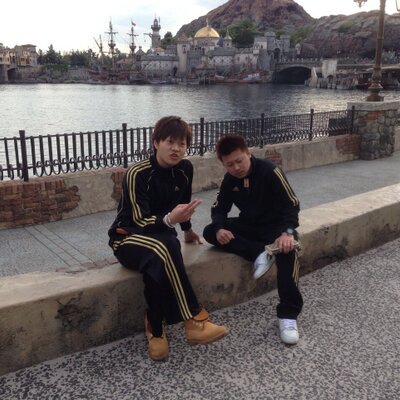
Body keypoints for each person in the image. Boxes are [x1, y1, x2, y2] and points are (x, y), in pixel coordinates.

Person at [108, 116, 228, 361]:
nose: (176, 149)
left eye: (182, 144)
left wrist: (187, 229)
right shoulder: (137, 173)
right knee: (162, 249)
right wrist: (170, 220)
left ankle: (155, 327)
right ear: (156, 143)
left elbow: (182, 203)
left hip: (163, 237)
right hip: (128, 238)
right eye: (170, 142)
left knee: (164, 250)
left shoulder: (185, 169)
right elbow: (139, 220)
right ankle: (193, 318)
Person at [203, 134, 303, 345]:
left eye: (239, 160)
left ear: (248, 153)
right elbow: (219, 208)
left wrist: (287, 232)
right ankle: (259, 253)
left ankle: (288, 315)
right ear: (223, 164)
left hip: (276, 227)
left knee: (288, 251)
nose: (236, 168)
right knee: (210, 231)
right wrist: (220, 228)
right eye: (230, 164)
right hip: (249, 225)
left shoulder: (270, 171)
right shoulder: (230, 179)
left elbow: (292, 205)